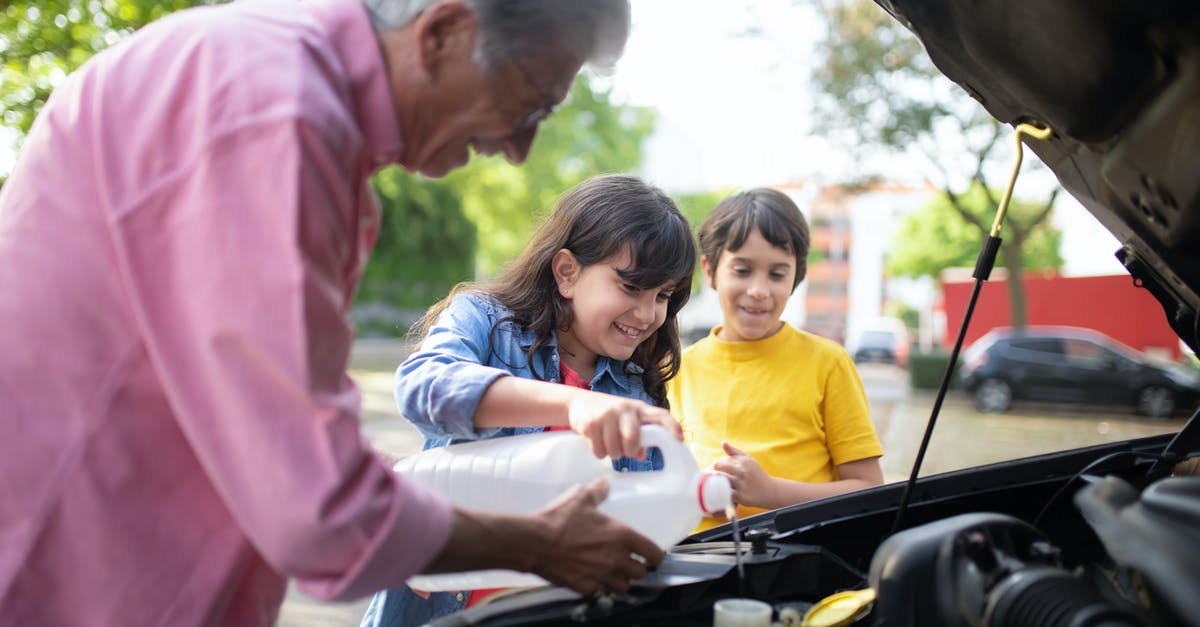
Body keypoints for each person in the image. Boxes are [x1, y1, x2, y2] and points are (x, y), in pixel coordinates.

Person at [0, 1, 665, 625]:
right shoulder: (273, 114)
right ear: (443, 34)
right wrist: (540, 543)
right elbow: (322, 509)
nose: (518, 147)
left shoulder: (286, 95)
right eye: (526, 103)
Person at [361, 173, 696, 625]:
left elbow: (638, 522)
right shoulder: (485, 321)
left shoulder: (637, 389)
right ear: (567, 272)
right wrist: (571, 404)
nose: (648, 313)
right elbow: (425, 385)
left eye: (664, 296)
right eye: (632, 287)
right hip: (439, 605)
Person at [666, 188, 884, 531]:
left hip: (798, 560)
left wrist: (768, 491)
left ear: (797, 276)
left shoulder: (828, 363)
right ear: (709, 271)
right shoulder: (677, 368)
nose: (758, 290)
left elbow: (868, 490)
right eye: (742, 270)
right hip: (696, 558)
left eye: (777, 274)